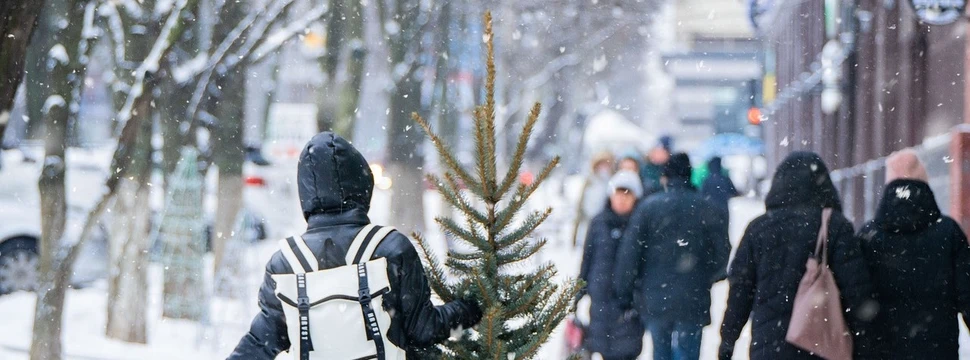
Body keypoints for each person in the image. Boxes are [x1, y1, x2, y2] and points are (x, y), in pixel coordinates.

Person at [228, 132, 482, 359]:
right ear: (362, 184)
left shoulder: (285, 263)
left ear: (306, 192)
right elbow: (424, 330)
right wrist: (473, 307)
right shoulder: (391, 248)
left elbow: (260, 343)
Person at [719, 151, 874, 360]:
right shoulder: (835, 226)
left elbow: (740, 291)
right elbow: (856, 290)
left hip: (769, 348)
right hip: (821, 346)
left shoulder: (758, 229)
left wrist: (727, 340)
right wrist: (865, 344)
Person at [614, 153, 730, 360]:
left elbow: (630, 254)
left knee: (661, 351)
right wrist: (705, 277)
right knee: (688, 352)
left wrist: (625, 292)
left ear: (665, 177)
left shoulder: (648, 208)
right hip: (693, 296)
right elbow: (722, 253)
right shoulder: (707, 208)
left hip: (656, 296)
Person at [858, 149, 970, 360]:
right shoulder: (948, 232)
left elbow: (855, 296)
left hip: (882, 352)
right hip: (938, 351)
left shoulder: (869, 236)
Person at [577, 170, 645, 360]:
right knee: (602, 349)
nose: (621, 199)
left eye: (627, 194)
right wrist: (578, 291)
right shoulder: (598, 222)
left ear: (635, 197)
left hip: (628, 306)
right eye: (618, 193)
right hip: (600, 300)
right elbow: (587, 260)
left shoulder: (640, 225)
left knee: (626, 351)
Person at [572, 152, 616, 247]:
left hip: (604, 223)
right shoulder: (590, 181)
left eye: (606, 164)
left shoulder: (613, 183)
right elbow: (581, 204)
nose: (603, 168)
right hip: (587, 221)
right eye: (601, 164)